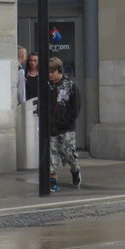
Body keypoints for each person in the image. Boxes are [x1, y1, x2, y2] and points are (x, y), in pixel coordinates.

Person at [47, 57, 82, 191]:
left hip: (67, 128)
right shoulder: (47, 86)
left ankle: (75, 170)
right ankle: (53, 180)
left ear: (59, 70)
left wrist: (68, 120)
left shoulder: (70, 85)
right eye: (48, 72)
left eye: (52, 72)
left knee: (69, 154)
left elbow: (76, 106)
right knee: (52, 155)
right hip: (52, 128)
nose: (50, 75)